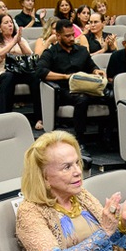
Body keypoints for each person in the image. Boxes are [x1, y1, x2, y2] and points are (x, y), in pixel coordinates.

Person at [37, 19, 114, 152]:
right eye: (67, 36)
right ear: (58, 36)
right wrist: (65, 76)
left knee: (112, 96)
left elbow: (91, 66)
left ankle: (108, 136)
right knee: (82, 99)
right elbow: (41, 71)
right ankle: (80, 139)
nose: (72, 38)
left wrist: (96, 71)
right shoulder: (51, 53)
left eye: (73, 35)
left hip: (85, 86)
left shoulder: (82, 51)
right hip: (65, 90)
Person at [0, 13, 42, 126]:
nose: (10, 25)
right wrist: (12, 43)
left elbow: (30, 56)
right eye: (6, 23)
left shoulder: (19, 39)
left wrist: (19, 42)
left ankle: (39, 118)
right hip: (3, 72)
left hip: (21, 71)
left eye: (11, 22)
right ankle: (2, 118)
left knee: (36, 77)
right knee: (9, 77)